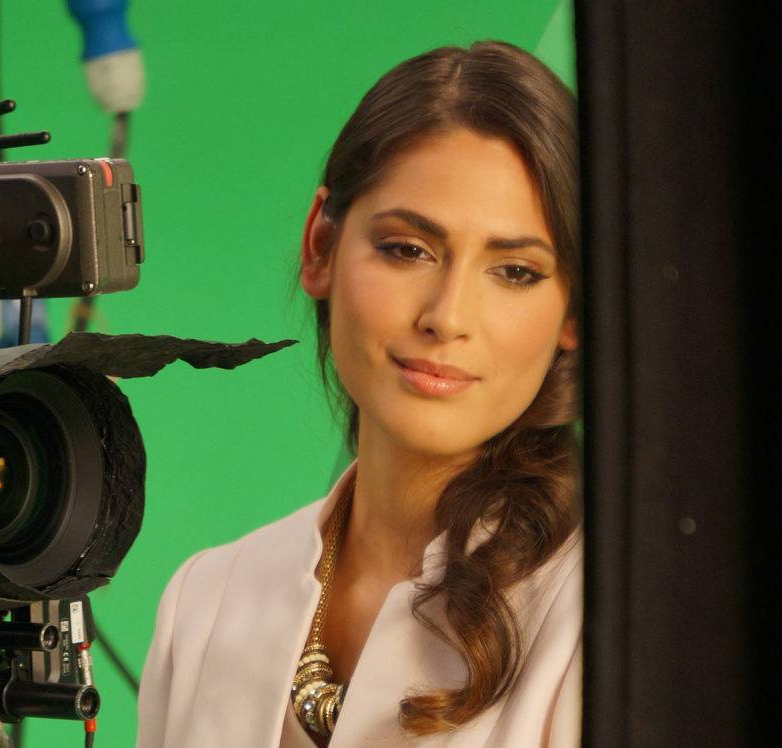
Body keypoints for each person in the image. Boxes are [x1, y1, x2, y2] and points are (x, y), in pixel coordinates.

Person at [137, 39, 581, 747]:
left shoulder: (608, 618)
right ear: (321, 245)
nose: (447, 315)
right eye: (408, 249)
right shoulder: (206, 600)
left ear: (575, 313)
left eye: (516, 271)